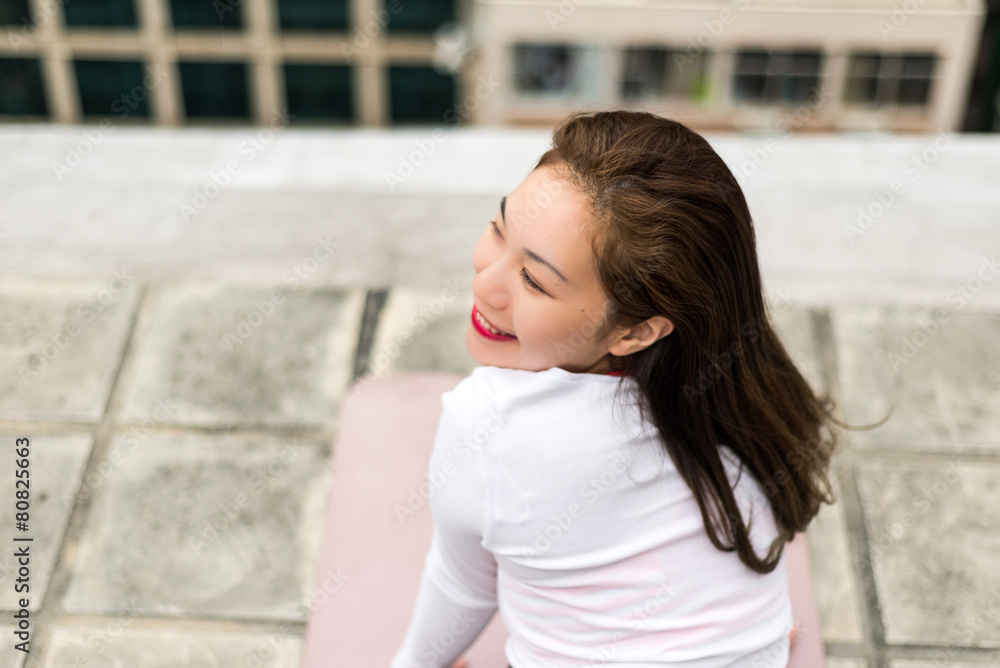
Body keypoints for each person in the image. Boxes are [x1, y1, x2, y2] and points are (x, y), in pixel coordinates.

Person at [390, 110, 855, 667]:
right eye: (498, 228)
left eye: (535, 280)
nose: (484, 284)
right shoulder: (733, 392)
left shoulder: (485, 425)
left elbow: (463, 584)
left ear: (637, 331)